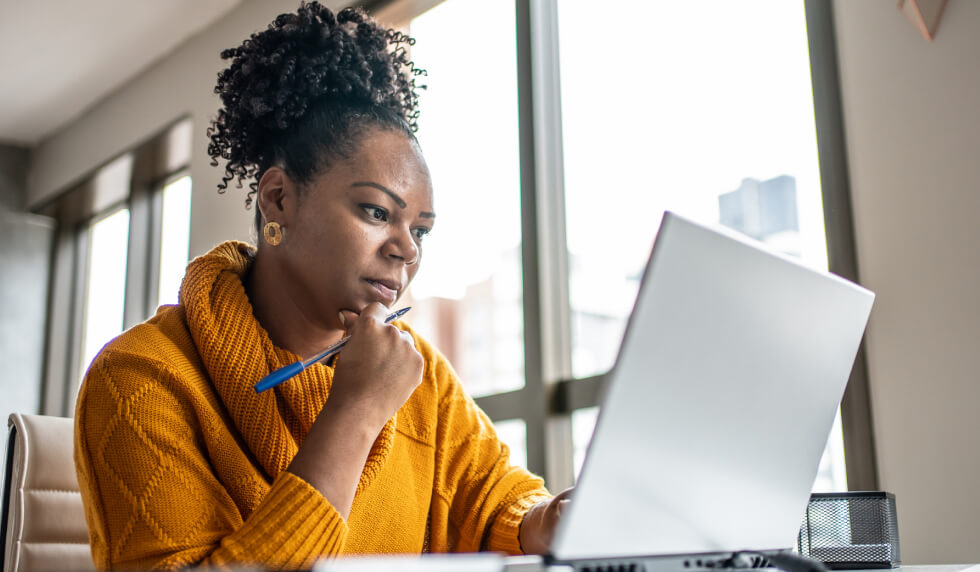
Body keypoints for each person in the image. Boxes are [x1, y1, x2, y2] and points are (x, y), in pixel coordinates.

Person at [73, 3, 569, 570]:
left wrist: (544, 519)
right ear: (279, 198)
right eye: (377, 212)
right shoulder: (141, 378)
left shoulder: (420, 375)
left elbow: (494, 499)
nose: (406, 248)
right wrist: (355, 412)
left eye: (421, 230)